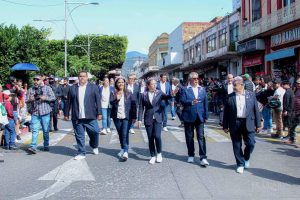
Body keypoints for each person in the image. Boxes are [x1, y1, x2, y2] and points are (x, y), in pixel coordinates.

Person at [223, 76, 261, 174]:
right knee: (236, 144)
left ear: (242, 85)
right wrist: (225, 125)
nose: (234, 87)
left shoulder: (251, 95)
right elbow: (226, 112)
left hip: (248, 122)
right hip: (234, 123)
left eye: (235, 85)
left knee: (251, 143)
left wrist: (258, 124)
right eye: (233, 85)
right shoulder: (230, 97)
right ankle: (240, 164)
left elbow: (256, 110)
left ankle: (246, 158)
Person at [64, 71, 102, 160]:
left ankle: (94, 145)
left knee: (95, 131)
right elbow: (68, 102)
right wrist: (66, 114)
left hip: (90, 116)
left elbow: (98, 101)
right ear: (78, 77)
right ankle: (81, 152)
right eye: (80, 76)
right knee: (79, 135)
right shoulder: (73, 88)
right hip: (77, 116)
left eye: (84, 76)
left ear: (87, 77)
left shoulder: (93, 87)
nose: (82, 78)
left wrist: (99, 113)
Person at [138, 78, 176, 164]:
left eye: (155, 84)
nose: (154, 85)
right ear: (148, 85)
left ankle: (159, 153)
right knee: (150, 138)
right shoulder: (143, 94)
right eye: (152, 84)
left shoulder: (159, 92)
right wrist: (139, 119)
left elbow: (166, 96)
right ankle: (152, 156)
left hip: (158, 117)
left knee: (157, 136)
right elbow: (141, 107)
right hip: (148, 118)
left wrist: (172, 94)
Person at [180, 72, 209, 167]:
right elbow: (182, 101)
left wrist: (206, 116)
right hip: (188, 116)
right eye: (194, 78)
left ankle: (203, 157)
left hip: (200, 116)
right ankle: (191, 154)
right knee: (189, 137)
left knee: (201, 136)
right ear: (189, 80)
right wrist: (191, 102)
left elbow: (205, 103)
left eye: (197, 78)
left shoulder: (202, 89)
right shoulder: (184, 89)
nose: (197, 80)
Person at [26, 75, 56, 154]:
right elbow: (26, 100)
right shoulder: (31, 89)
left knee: (45, 130)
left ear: (41, 80)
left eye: (37, 79)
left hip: (45, 112)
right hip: (35, 112)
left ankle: (46, 145)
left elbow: (53, 97)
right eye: (34, 79)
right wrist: (30, 99)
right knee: (35, 130)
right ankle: (33, 146)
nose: (35, 81)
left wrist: (45, 98)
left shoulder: (47, 88)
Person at [110, 76, 137, 161]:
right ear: (116, 84)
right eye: (119, 82)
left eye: (122, 82)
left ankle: (125, 151)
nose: (121, 84)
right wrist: (116, 100)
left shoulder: (129, 93)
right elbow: (111, 102)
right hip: (116, 117)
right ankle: (122, 148)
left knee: (125, 133)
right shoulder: (113, 93)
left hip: (127, 117)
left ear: (124, 83)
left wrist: (134, 117)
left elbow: (133, 105)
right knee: (120, 133)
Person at [285, 78, 300, 146]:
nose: (298, 84)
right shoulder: (296, 90)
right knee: (292, 126)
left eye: (299, 83)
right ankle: (292, 139)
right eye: (297, 83)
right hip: (296, 112)